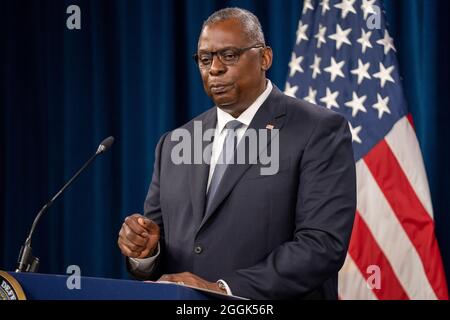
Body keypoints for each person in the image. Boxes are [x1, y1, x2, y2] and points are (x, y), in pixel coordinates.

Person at [117, 7, 356, 299]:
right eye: (205, 59)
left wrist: (224, 289)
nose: (214, 68)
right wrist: (146, 252)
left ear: (265, 58)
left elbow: (321, 245)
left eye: (229, 55)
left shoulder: (318, 130)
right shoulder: (175, 142)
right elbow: (161, 245)